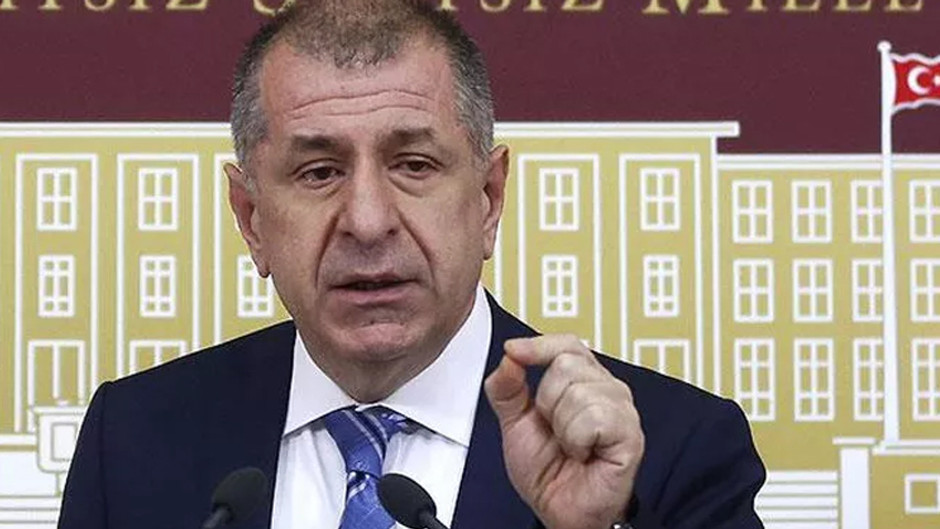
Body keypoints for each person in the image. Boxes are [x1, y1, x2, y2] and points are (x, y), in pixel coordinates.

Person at [58, 1, 765, 528]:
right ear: (251, 219)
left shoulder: (670, 455)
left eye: (414, 164)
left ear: (488, 199)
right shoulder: (134, 440)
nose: (368, 220)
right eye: (318, 172)